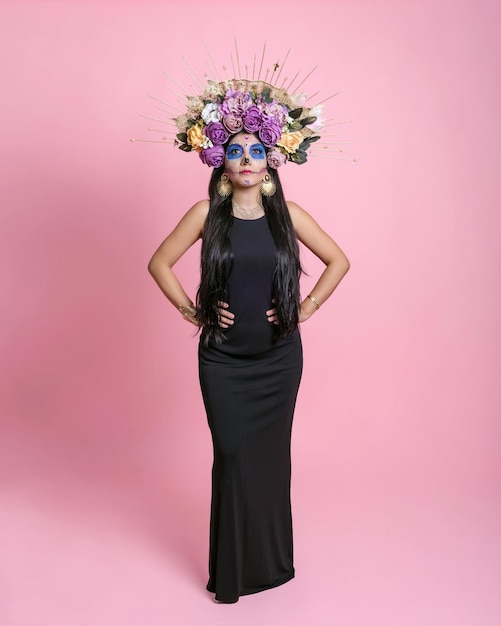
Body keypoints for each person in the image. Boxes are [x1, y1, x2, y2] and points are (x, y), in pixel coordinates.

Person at [147, 76, 350, 603]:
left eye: (256, 151)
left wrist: (303, 309)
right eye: (235, 152)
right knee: (233, 455)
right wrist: (194, 311)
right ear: (220, 160)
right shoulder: (205, 215)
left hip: (279, 361)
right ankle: (233, 574)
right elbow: (159, 263)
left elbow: (339, 261)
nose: (245, 160)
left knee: (271, 459)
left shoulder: (288, 216)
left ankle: (273, 567)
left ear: (271, 160)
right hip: (224, 362)